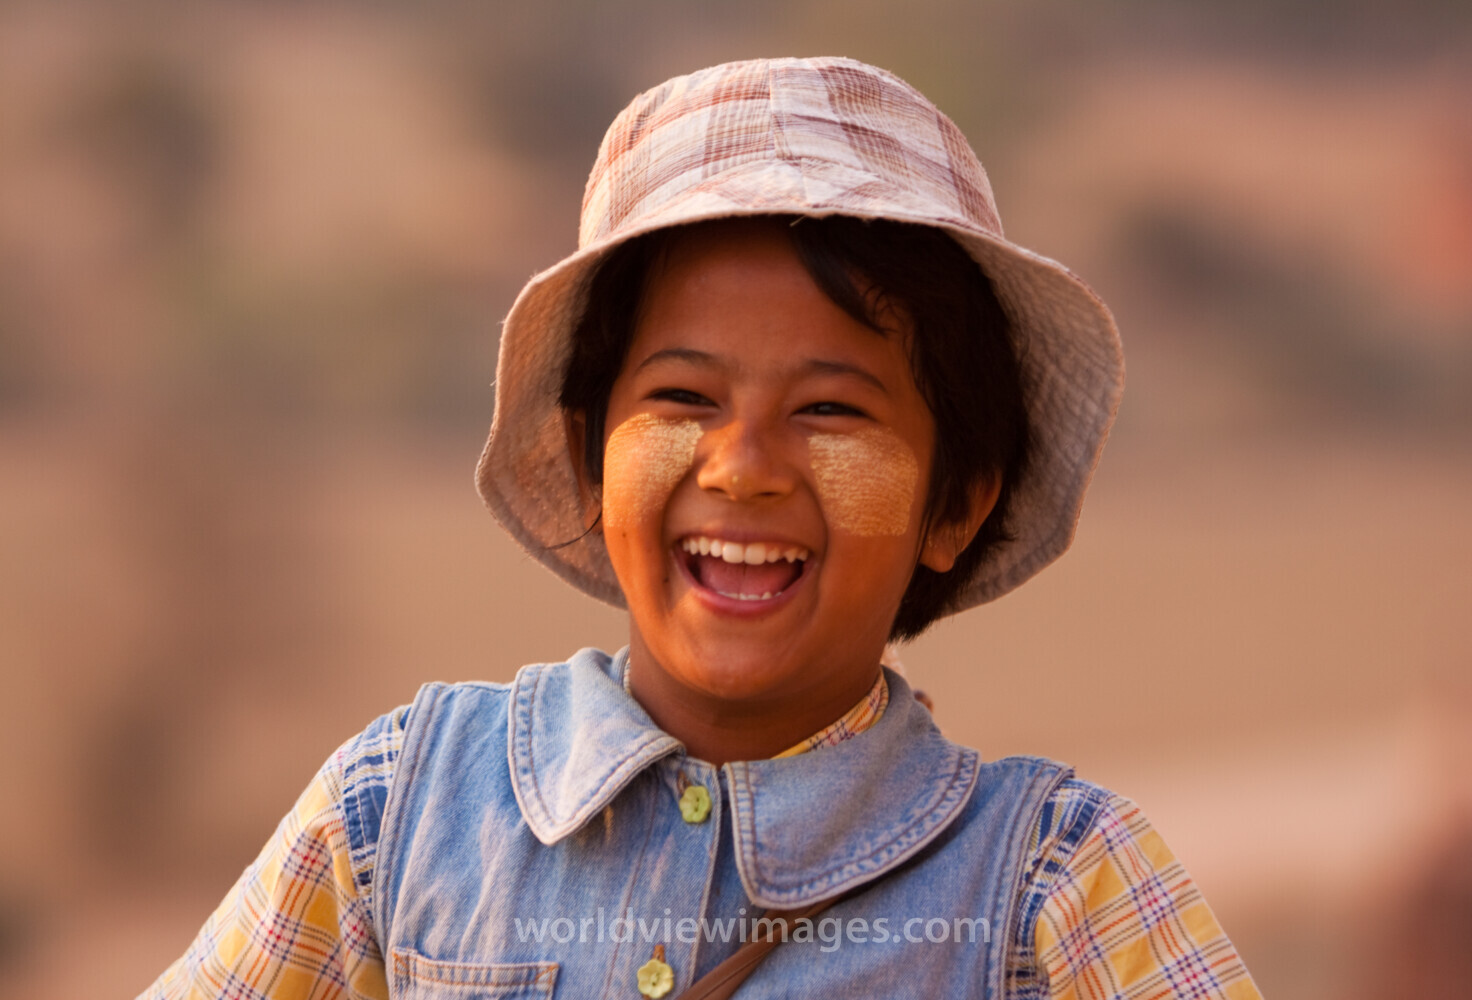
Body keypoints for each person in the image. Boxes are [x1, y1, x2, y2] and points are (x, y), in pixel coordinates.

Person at [140, 57, 1261, 999]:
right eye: (682, 398)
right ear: (589, 458)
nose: (743, 468)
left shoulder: (1052, 883)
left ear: (955, 503)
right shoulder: (400, 811)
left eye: (831, 411)